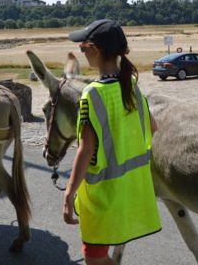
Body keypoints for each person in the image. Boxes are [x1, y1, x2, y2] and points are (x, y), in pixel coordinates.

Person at [63, 19, 161, 265]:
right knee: (95, 254)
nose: (82, 53)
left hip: (103, 195)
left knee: (93, 257)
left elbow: (85, 151)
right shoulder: (131, 85)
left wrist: (68, 194)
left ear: (96, 50)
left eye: (83, 48)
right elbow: (153, 127)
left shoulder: (93, 94)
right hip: (130, 189)